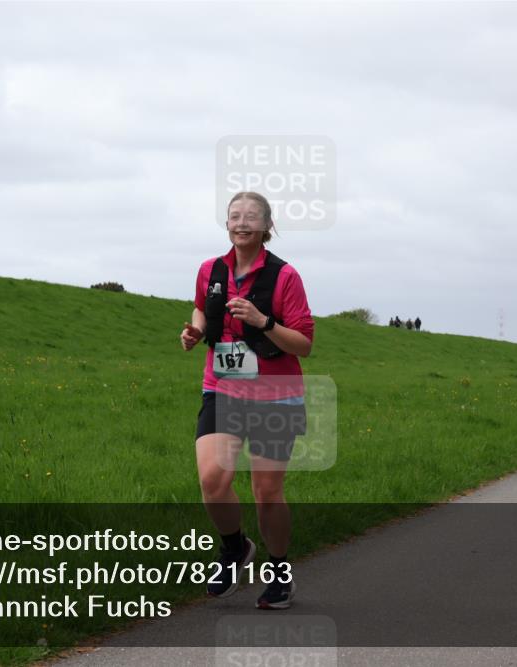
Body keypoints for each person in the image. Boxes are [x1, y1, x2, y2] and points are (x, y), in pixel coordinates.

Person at [180, 191, 314, 610]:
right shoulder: (210, 270)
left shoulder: (285, 276)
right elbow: (203, 307)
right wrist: (197, 330)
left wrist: (263, 321)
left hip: (275, 394)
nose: (241, 223)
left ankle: (278, 573)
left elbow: (304, 344)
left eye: (251, 217)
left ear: (267, 226)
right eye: (235, 216)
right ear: (226, 223)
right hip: (223, 387)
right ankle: (235, 548)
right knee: (212, 480)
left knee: (266, 492)